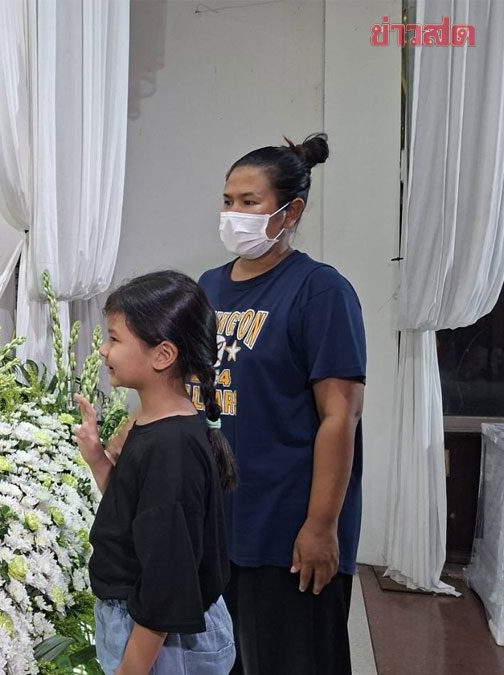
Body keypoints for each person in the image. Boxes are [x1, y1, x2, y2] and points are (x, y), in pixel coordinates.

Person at [198, 133, 366, 675]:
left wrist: (321, 525)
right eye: (228, 201)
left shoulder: (320, 291)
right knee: (226, 659)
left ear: (290, 211)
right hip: (223, 522)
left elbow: (340, 417)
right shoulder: (209, 288)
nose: (234, 214)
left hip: (288, 525)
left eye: (250, 203)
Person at [74, 270, 238, 675]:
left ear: (162, 355)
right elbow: (135, 512)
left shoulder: (171, 448)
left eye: (114, 339)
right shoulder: (153, 426)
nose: (103, 351)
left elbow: (167, 580)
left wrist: (132, 670)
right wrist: (98, 458)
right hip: (148, 632)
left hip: (161, 643)